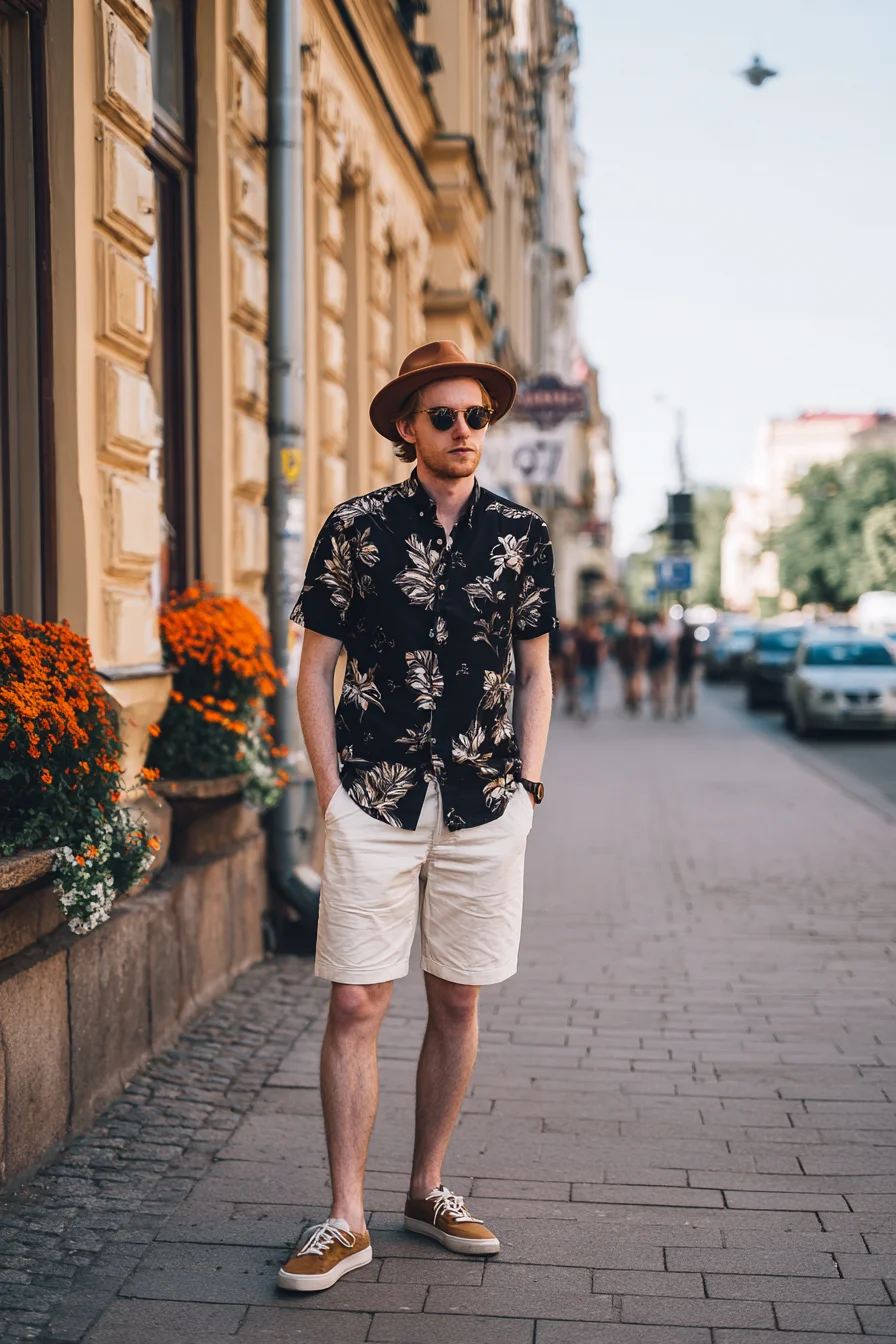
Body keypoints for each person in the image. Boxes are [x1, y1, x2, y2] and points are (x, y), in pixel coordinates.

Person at [281, 341, 556, 1293]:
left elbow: (535, 672)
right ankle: (344, 1216)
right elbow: (314, 670)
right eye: (444, 416)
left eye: (477, 416)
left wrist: (529, 786)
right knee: (357, 999)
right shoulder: (355, 529)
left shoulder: (522, 536)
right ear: (408, 427)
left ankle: (426, 1189)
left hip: (485, 803)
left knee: (458, 999)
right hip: (376, 796)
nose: (464, 431)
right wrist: (330, 789)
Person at [615, 614, 647, 714]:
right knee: (630, 682)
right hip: (629, 661)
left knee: (632, 682)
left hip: (632, 662)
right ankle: (631, 699)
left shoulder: (637, 636)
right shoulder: (629, 637)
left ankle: (633, 699)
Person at [576, 615, 605, 719]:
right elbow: (577, 653)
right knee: (584, 688)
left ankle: (590, 706)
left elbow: (601, 651)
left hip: (593, 665)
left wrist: (600, 661)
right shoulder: (581, 637)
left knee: (592, 687)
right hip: (583, 666)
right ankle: (585, 707)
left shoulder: (597, 638)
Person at [646, 613, 673, 719]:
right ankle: (661, 705)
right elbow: (672, 647)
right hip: (663, 661)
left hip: (656, 661)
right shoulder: (669, 630)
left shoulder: (652, 629)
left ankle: (658, 705)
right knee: (663, 685)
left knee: (657, 685)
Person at [675, 621, 700, 718]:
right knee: (691, 687)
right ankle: (689, 706)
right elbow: (697, 652)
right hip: (691, 665)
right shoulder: (694, 640)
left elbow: (676, 652)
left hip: (682, 665)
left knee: (680, 688)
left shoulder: (681, 639)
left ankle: (679, 707)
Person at [559, 622, 579, 716]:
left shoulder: (576, 656)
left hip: (574, 674)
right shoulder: (564, 656)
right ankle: (569, 705)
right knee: (568, 690)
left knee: (573, 690)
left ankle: (572, 705)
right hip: (567, 675)